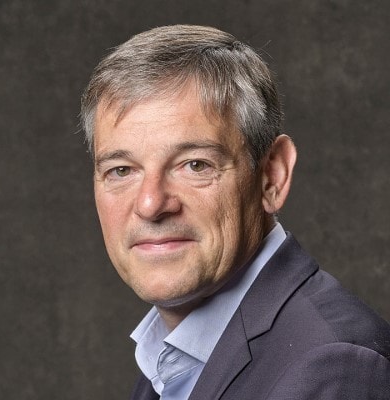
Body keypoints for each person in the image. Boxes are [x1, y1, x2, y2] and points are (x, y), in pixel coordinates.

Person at [80, 25, 390, 399]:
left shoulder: (336, 367)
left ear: (272, 176)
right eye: (121, 170)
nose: (150, 204)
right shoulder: (169, 362)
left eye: (195, 165)